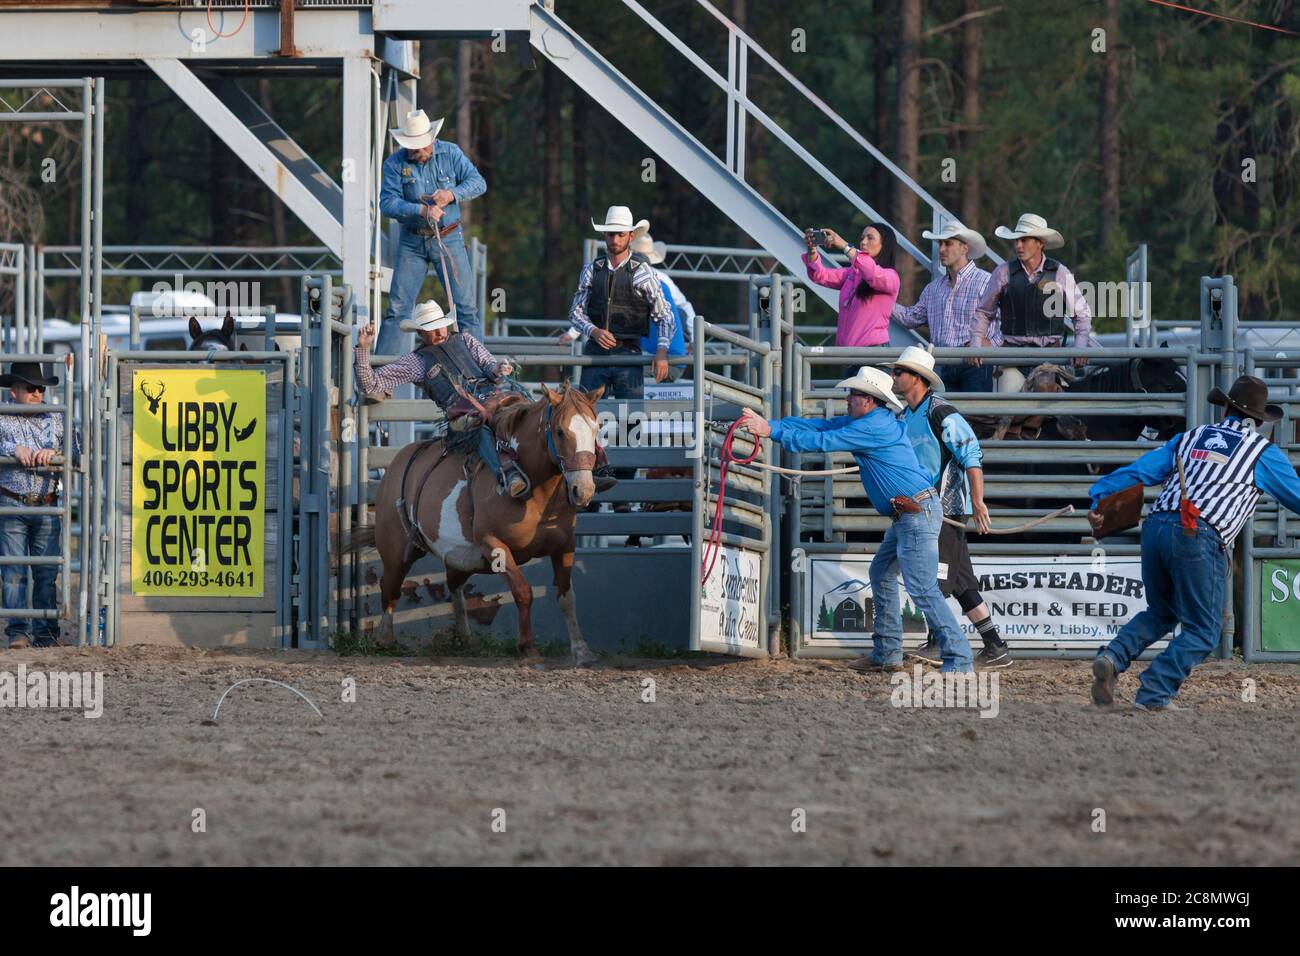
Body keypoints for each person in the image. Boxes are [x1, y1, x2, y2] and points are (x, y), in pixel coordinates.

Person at [738, 366, 974, 673]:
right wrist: (770, 425)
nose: (849, 398)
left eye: (855, 394)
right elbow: (822, 428)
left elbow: (823, 441)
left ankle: (959, 658)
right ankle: (888, 652)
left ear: (871, 400)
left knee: (922, 588)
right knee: (883, 574)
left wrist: (771, 431)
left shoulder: (872, 427)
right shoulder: (873, 421)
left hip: (914, 514)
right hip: (911, 512)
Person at [1087, 375, 1300, 710]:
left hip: (1156, 527)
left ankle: (1114, 657)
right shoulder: (1263, 452)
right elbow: (1297, 498)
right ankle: (1155, 692)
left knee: (1162, 611)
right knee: (1203, 630)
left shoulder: (1190, 437)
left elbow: (1141, 470)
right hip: (1198, 534)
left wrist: (1099, 497)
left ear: (1225, 409)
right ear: (1258, 421)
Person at [886, 346, 1011, 669]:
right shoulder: (906, 416)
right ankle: (994, 645)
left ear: (917, 378)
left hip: (947, 506)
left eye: (899, 372)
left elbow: (971, 454)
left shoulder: (940, 412)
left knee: (933, 575)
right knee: (960, 580)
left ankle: (939, 642)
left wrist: (978, 501)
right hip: (929, 506)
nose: (893, 376)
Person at [354, 301, 530, 498]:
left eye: (441, 326)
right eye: (432, 329)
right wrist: (363, 349)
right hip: (462, 416)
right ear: (421, 334)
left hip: (494, 400)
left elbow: (491, 368)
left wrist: (499, 369)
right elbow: (370, 385)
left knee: (526, 412)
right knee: (477, 426)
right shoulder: (416, 362)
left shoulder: (466, 340)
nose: (439, 333)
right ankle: (506, 475)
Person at [376, 109, 487, 356]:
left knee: (466, 308)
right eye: (411, 146)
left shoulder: (451, 153)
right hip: (412, 241)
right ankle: (379, 378)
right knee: (397, 310)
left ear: (431, 139)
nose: (416, 151)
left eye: (420, 145)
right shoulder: (394, 163)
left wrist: (451, 195)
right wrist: (421, 210)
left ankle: (481, 373)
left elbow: (478, 183)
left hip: (449, 238)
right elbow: (387, 204)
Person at [0, 362, 76, 649]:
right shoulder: (1, 416)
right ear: (14, 390)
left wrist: (55, 453)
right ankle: (18, 631)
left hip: (46, 502)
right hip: (11, 500)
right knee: (13, 572)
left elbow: (76, 450)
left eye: (40, 388)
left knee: (46, 573)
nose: (37, 393)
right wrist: (12, 449)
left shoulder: (57, 418)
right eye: (30, 388)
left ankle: (45, 632)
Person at [971, 213, 1094, 388]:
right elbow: (984, 312)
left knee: (1044, 396)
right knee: (1007, 405)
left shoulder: (1060, 272)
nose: (1018, 245)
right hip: (1011, 356)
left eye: (1025, 240)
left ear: (1040, 243)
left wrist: (1080, 347)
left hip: (1049, 356)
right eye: (1016, 240)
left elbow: (1081, 314)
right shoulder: (1003, 272)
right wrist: (975, 344)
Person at [891, 221, 995, 392]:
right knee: (947, 417)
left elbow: (1003, 321)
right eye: (940, 244)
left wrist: (986, 343)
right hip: (943, 366)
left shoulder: (985, 281)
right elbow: (910, 318)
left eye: (948, 243)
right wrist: (882, 302)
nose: (941, 249)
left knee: (976, 417)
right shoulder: (933, 289)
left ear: (964, 248)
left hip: (975, 364)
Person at [803, 222, 901, 374]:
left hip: (873, 357)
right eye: (862, 238)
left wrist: (844, 245)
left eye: (870, 238)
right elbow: (819, 275)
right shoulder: (852, 273)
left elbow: (871, 273)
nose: (863, 242)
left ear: (884, 245)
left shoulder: (890, 276)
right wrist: (812, 251)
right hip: (849, 357)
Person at [631, 235, 691, 383]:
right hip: (667, 357)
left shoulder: (654, 286)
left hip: (663, 359)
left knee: (620, 372)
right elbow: (685, 308)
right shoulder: (662, 281)